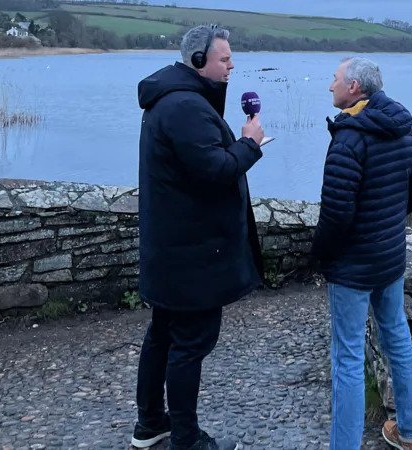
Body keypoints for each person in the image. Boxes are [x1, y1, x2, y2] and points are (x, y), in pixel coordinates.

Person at [133, 24, 265, 450]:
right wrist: (250, 145)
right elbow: (216, 170)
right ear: (197, 61)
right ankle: (185, 439)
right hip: (192, 257)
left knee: (163, 335)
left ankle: (151, 423)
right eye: (224, 59)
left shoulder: (174, 101)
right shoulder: (186, 108)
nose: (231, 66)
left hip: (172, 250)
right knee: (189, 345)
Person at [312, 57, 412, 450]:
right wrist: (386, 222)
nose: (330, 86)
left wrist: (320, 258)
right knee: (397, 338)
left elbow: (335, 213)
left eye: (335, 79)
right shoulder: (405, 128)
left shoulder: (349, 137)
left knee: (346, 359)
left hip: (352, 266)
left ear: (356, 89)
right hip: (390, 257)